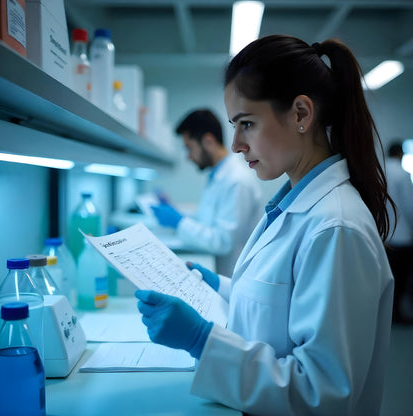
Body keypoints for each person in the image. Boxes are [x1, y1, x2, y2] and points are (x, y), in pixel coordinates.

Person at [136, 35, 395, 415]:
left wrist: (201, 340)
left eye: (247, 124)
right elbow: (282, 306)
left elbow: (322, 393)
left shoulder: (335, 228)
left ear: (302, 115)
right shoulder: (297, 204)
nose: (237, 144)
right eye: (234, 126)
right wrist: (223, 287)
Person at [151, 109, 263, 276]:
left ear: (208, 141)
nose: (188, 157)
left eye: (189, 148)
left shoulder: (237, 180)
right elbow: (210, 221)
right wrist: (178, 214)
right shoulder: (218, 175)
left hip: (231, 276)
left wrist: (179, 222)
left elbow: (223, 242)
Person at [385, 141, 413, 323]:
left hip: (385, 235)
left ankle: (389, 313)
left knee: (389, 279)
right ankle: (397, 314)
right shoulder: (402, 174)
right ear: (400, 154)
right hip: (402, 236)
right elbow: (410, 206)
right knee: (401, 280)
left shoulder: (380, 169)